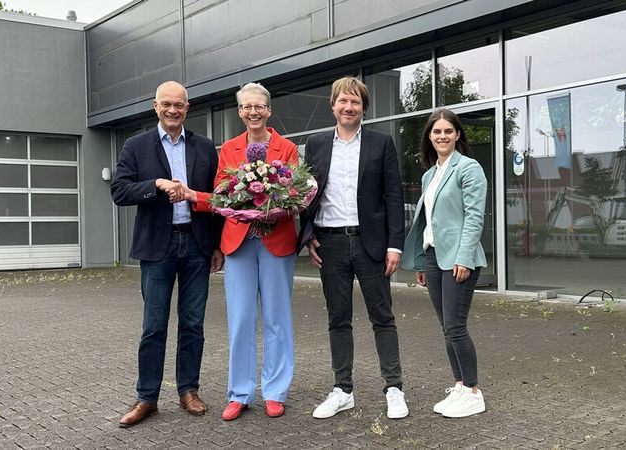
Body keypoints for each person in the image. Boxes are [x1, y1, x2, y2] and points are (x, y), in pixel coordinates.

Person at [179, 82, 298, 421]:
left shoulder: (287, 148)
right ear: (240, 112)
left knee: (277, 318)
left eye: (259, 106)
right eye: (247, 106)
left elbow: (295, 192)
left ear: (268, 110)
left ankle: (275, 391)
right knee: (241, 318)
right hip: (238, 243)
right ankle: (240, 393)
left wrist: (274, 206)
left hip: (276, 240)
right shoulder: (229, 149)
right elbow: (221, 195)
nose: (253, 112)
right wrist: (195, 196)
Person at [110, 81, 224, 428]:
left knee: (193, 324)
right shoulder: (136, 145)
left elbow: (217, 198)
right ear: (155, 106)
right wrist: (156, 185)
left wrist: (217, 245)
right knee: (153, 326)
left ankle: (188, 390)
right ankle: (147, 397)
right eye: (166, 104)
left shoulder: (205, 147)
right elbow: (119, 191)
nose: (173, 110)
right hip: (157, 247)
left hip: (197, 245)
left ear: (187, 108)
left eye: (179, 105)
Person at [297, 76, 408, 420]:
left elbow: (394, 195)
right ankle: (343, 390)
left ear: (363, 108)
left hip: (370, 243)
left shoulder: (381, 142)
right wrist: (308, 235)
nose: (349, 107)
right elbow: (306, 194)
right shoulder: (315, 144)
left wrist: (395, 245)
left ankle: (394, 388)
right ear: (333, 105)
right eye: (343, 101)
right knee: (338, 319)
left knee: (383, 317)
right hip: (329, 244)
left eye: (355, 102)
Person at [400, 109, 488, 418]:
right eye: (436, 131)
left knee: (455, 326)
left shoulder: (468, 168)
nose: (442, 136)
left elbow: (474, 217)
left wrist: (464, 257)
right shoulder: (430, 174)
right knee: (446, 328)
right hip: (434, 257)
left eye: (448, 131)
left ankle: (474, 392)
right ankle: (460, 386)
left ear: (458, 134)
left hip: (459, 258)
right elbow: (428, 222)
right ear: (429, 136)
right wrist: (422, 262)